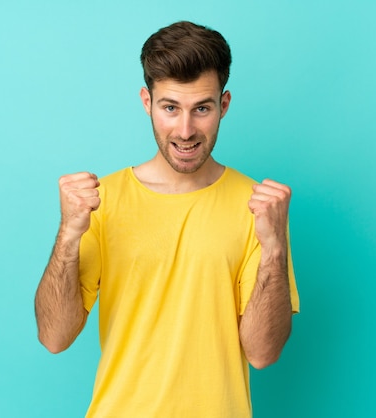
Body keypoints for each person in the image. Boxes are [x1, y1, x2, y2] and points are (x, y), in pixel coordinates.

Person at [34, 20, 300, 417]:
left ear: (224, 106)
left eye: (202, 109)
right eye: (170, 108)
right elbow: (54, 337)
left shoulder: (257, 207)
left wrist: (274, 248)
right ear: (147, 102)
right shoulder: (100, 202)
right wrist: (68, 235)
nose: (185, 130)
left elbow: (262, 353)